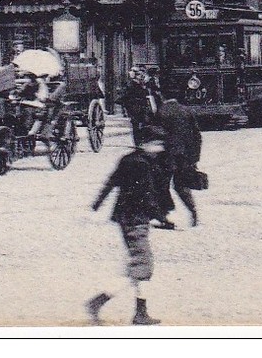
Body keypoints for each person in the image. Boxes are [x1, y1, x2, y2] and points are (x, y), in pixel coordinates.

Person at [87, 127, 170, 326]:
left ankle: (140, 312)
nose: (160, 148)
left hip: (125, 218)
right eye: (157, 144)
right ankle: (99, 302)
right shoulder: (143, 165)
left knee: (140, 265)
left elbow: (111, 182)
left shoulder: (128, 159)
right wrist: (163, 219)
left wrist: (96, 205)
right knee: (142, 267)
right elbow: (147, 195)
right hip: (136, 219)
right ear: (144, 144)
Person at [155, 96, 203, 226]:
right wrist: (194, 158)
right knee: (182, 186)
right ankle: (193, 212)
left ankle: (164, 216)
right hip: (185, 156)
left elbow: (157, 133)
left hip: (167, 155)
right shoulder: (187, 111)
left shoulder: (161, 111)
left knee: (162, 185)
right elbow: (197, 136)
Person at [122, 66, 156, 145]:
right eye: (138, 75)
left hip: (142, 105)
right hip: (134, 105)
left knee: (143, 122)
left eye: (141, 75)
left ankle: (141, 140)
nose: (140, 77)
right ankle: (137, 141)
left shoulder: (142, 84)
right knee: (136, 124)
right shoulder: (131, 84)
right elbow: (127, 96)